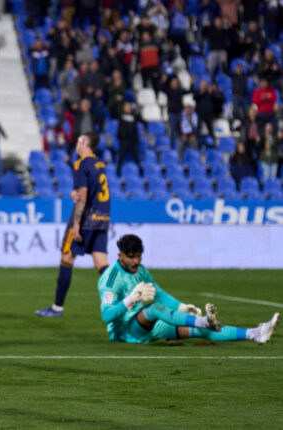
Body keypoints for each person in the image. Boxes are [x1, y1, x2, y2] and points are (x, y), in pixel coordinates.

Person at [99, 234, 279, 344]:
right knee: (153, 309)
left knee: (203, 332)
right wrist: (130, 300)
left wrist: (181, 307)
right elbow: (107, 316)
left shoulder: (141, 270)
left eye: (138, 256)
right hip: (126, 331)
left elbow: (159, 294)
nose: (136, 261)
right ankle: (202, 320)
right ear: (120, 256)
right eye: (131, 257)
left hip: (150, 326)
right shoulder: (110, 279)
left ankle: (254, 334)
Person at [37, 132, 110, 318]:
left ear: (84, 142)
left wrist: (77, 224)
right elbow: (90, 191)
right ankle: (128, 298)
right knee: (101, 263)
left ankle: (57, 308)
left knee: (67, 258)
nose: (76, 144)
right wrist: (75, 193)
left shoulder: (81, 163)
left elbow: (83, 197)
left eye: (78, 140)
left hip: (87, 218)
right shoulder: (99, 164)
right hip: (103, 217)